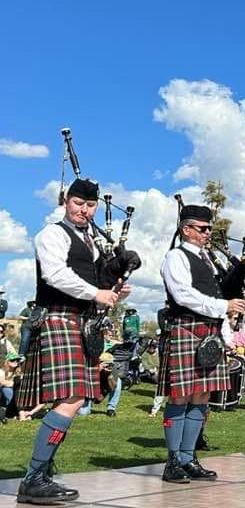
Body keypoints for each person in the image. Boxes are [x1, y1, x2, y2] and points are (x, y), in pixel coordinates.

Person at [16, 178, 137, 505]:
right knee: (72, 398)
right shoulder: (52, 233)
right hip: (59, 317)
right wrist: (95, 292)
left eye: (90, 205)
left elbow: (95, 281)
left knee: (74, 398)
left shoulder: (93, 241)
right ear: (65, 201)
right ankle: (34, 476)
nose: (84, 210)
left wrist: (114, 290)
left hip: (81, 322)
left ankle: (41, 471)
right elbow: (54, 275)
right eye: (78, 203)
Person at [157, 203, 245, 484]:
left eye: (210, 228)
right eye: (202, 229)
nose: (207, 233)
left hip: (210, 333)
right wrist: (223, 304)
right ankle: (173, 460)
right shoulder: (176, 257)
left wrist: (238, 295)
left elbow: (221, 295)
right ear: (186, 229)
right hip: (186, 330)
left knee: (201, 395)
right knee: (181, 396)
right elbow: (183, 295)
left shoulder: (209, 260)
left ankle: (189, 457)